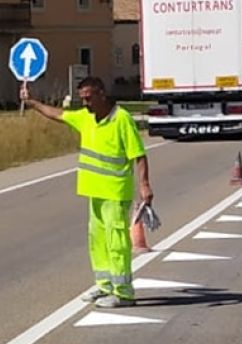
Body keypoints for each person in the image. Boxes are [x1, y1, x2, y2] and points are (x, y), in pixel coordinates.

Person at [22, 75, 153, 308]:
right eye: (82, 98)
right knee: (97, 241)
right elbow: (57, 115)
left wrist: (144, 185)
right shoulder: (86, 118)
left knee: (116, 242)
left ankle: (123, 292)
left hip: (115, 193)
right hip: (95, 192)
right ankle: (104, 286)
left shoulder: (121, 119)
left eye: (89, 98)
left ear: (101, 93)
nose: (85, 103)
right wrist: (32, 102)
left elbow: (138, 155)